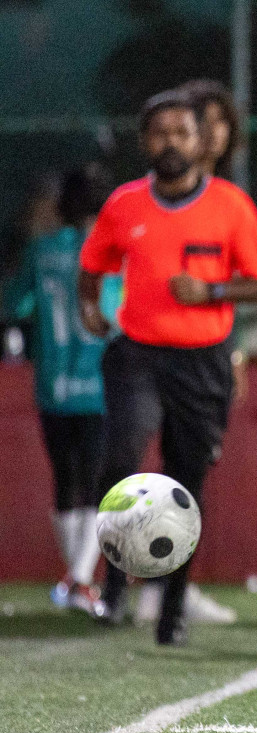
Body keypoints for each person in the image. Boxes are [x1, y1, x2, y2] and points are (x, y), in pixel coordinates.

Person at [79, 89, 257, 646]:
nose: (169, 142)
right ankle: (114, 587)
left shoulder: (231, 206)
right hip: (138, 354)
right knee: (122, 455)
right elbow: (92, 262)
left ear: (201, 141)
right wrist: (88, 307)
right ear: (145, 141)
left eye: (181, 132)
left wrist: (211, 289)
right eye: (158, 132)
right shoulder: (123, 204)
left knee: (185, 482)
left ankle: (171, 610)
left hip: (204, 362)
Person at [2, 167, 119, 614]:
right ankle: (83, 579)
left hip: (52, 384)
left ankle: (76, 580)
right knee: (95, 482)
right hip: (99, 384)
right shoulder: (110, 254)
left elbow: (17, 303)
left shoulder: (42, 249)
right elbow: (119, 313)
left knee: (66, 481)